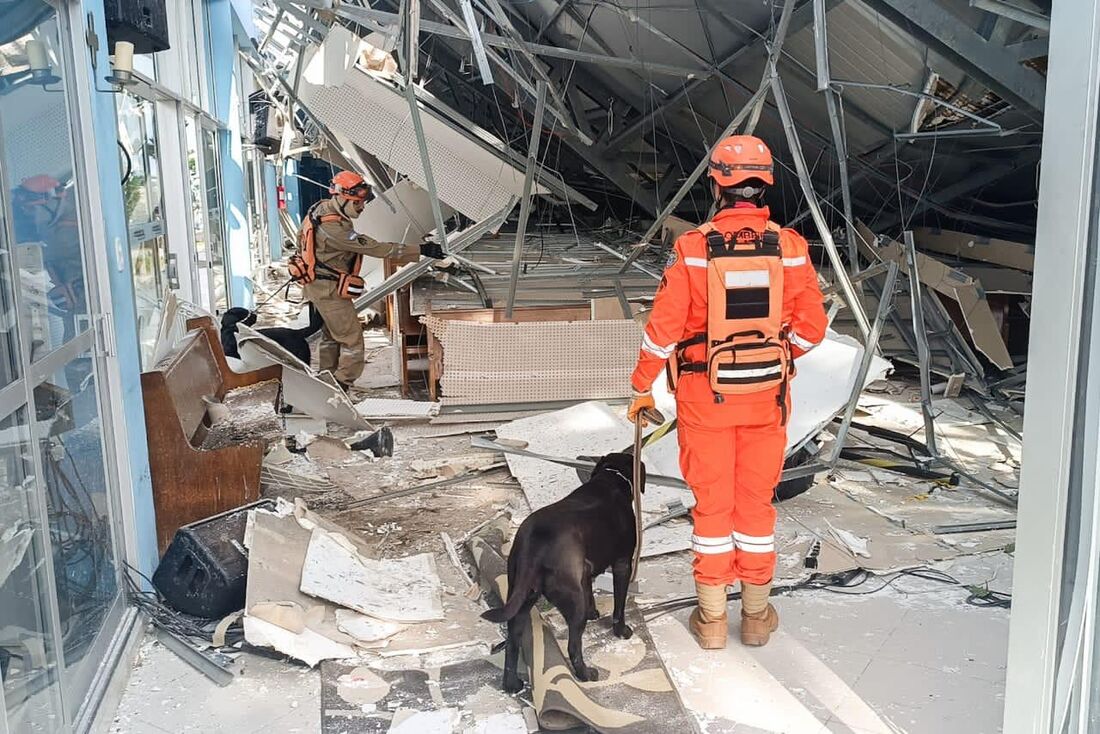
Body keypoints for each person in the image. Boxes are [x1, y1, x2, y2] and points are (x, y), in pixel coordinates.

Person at [626, 135, 827, 650]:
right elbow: (812, 329)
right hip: (767, 399)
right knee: (755, 505)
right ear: (766, 186)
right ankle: (757, 618)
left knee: (712, 507)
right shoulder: (791, 248)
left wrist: (641, 385)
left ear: (717, 183)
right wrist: (777, 357)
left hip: (703, 397)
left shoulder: (693, 250)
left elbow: (662, 330)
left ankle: (712, 621)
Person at [300, 171, 445, 391]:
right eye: (357, 203)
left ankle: (326, 381)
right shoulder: (333, 229)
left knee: (333, 336)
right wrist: (421, 249)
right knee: (352, 341)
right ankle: (340, 386)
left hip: (318, 285)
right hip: (328, 290)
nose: (362, 207)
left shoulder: (319, 210)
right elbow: (373, 247)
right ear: (341, 196)